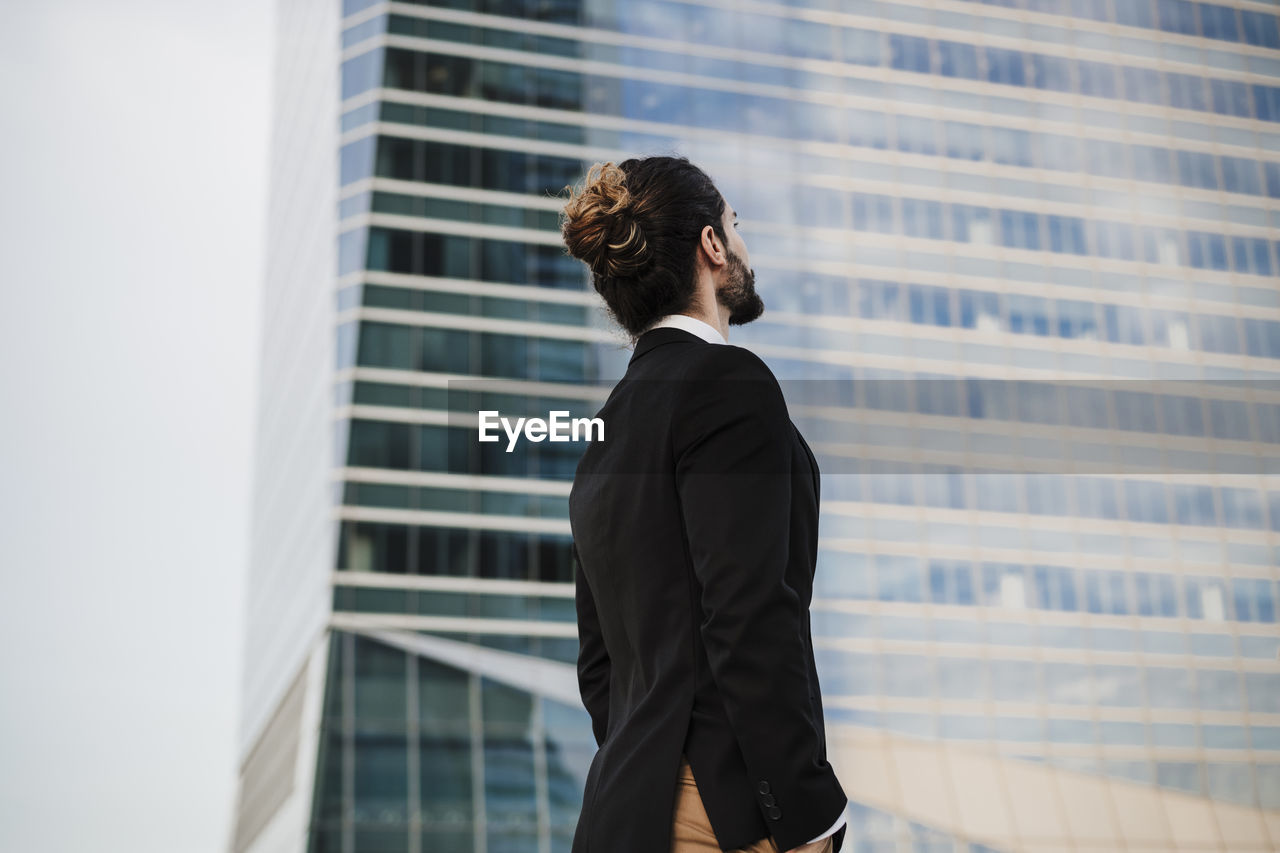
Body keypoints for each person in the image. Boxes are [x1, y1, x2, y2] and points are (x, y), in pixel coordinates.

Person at [559, 155, 849, 853]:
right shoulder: (730, 384)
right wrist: (807, 809)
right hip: (719, 811)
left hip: (620, 813)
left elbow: (602, 671)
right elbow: (749, 612)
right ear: (711, 247)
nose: (742, 243)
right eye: (734, 225)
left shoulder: (602, 439)